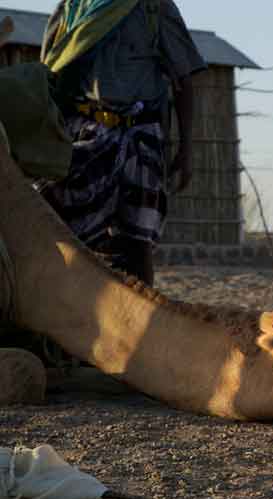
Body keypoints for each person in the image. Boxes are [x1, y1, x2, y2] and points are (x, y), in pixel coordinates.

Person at [39, 0, 206, 286]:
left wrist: (187, 149)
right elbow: (48, 75)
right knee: (64, 235)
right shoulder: (72, 8)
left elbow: (184, 81)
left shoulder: (156, 8)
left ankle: (145, 320)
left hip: (140, 137)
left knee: (137, 243)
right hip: (84, 134)